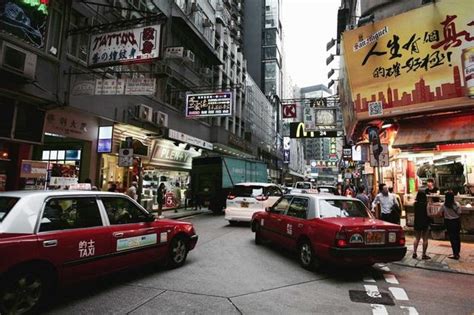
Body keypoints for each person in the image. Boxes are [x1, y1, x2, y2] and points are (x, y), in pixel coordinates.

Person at [439, 191, 462, 260]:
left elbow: (440, 213)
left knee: (452, 238)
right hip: (456, 221)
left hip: (448, 222)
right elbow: (459, 213)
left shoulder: (444, 205)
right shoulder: (457, 204)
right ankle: (457, 253)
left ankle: (455, 254)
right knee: (457, 237)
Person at [413, 190, 431, 260]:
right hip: (425, 222)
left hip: (417, 222)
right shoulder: (426, 204)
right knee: (425, 239)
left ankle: (414, 253)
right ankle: (423, 255)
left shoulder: (415, 204)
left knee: (417, 238)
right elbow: (428, 214)